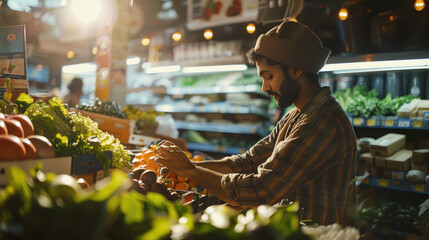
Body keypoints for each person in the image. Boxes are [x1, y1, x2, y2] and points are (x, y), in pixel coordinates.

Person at [154, 21, 357, 226]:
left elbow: (261, 189)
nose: (264, 87)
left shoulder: (321, 122)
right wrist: (189, 167)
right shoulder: (296, 115)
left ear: (296, 70)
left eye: (269, 76)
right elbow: (247, 162)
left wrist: (191, 172)